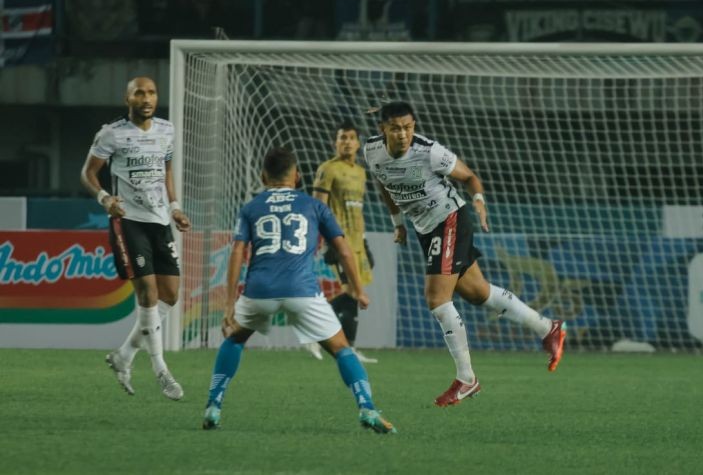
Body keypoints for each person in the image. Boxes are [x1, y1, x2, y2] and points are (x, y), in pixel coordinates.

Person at [365, 101, 566, 407]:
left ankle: (466, 379)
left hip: (450, 218)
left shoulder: (429, 151)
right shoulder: (372, 152)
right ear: (383, 129)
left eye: (408, 127)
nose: (403, 134)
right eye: (395, 128)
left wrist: (480, 201)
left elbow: (470, 177)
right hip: (424, 227)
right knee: (477, 293)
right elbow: (385, 185)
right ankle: (546, 327)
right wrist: (398, 224)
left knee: (436, 298)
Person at [202, 147, 395, 434]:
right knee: (342, 349)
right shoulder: (314, 205)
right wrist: (358, 289)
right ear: (298, 176)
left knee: (234, 339)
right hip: (303, 292)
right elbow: (343, 249)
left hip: (259, 292)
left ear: (263, 176)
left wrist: (230, 304)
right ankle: (367, 407)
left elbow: (237, 251)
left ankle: (213, 406)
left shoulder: (251, 207)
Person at [81, 76, 191, 400]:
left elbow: (165, 171)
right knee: (148, 293)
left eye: (152, 92)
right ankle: (161, 370)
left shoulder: (166, 130)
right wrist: (105, 199)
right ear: (127, 98)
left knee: (170, 295)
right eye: (140, 93)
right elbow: (88, 172)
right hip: (127, 220)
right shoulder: (111, 133)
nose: (147, 98)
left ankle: (124, 356)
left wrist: (174, 207)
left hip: (160, 220)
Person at [307, 120, 378, 363]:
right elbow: (318, 207)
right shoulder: (328, 169)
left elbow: (359, 210)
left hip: (358, 242)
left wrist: (365, 240)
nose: (346, 142)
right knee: (352, 292)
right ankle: (323, 336)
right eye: (342, 137)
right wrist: (327, 240)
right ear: (335, 142)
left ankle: (337, 342)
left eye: (351, 138)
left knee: (352, 293)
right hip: (340, 241)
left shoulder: (360, 172)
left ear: (358, 143)